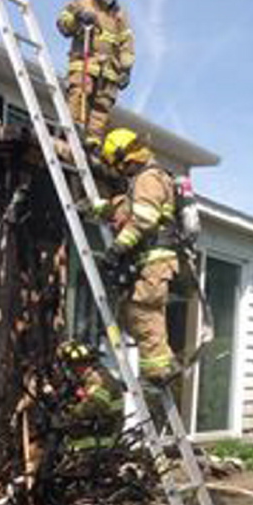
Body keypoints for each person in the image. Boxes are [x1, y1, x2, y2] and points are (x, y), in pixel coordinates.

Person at [97, 128, 180, 384]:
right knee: (143, 315)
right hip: (155, 263)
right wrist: (97, 208)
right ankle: (162, 367)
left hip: (154, 261)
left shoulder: (148, 178)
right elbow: (126, 209)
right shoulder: (147, 179)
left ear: (127, 158)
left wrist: (116, 249)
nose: (121, 172)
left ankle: (159, 372)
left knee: (144, 315)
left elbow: (143, 221)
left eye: (120, 166)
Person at [57, 0, 135, 152]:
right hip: (84, 62)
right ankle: (73, 133)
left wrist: (126, 68)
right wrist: (77, 17)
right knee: (80, 94)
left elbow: (126, 43)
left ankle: (93, 143)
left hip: (109, 71)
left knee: (102, 107)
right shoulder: (82, 1)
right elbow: (62, 24)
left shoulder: (120, 15)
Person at [55, 339, 124, 453]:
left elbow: (96, 404)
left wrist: (69, 414)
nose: (71, 370)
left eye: (72, 365)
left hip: (98, 445)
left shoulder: (100, 379)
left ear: (82, 363)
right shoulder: (86, 381)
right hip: (85, 446)